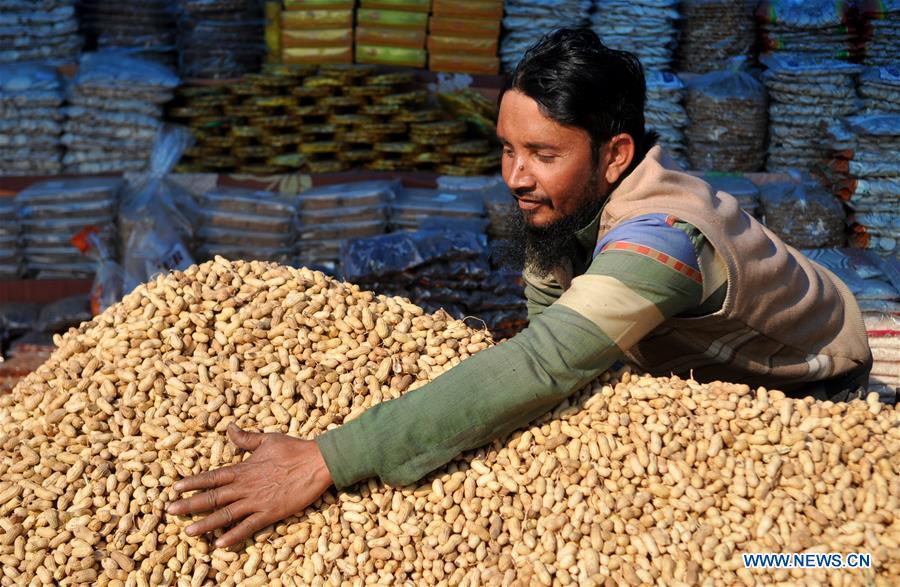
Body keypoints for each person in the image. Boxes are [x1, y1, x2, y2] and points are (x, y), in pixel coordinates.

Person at [166, 28, 872, 548]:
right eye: (507, 149)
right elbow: (546, 335)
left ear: (615, 154)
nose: (515, 175)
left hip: (808, 390)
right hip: (679, 375)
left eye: (542, 154)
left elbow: (541, 364)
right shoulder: (566, 208)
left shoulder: (661, 240)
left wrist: (331, 455)